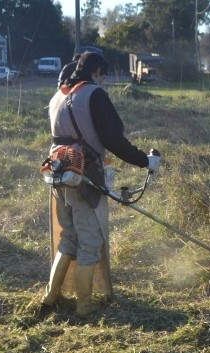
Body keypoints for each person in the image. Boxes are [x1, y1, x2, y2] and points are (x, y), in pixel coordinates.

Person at [42, 51, 161, 317]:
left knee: (68, 239)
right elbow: (114, 140)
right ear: (96, 72)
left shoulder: (58, 96)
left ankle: (49, 299)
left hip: (58, 176)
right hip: (84, 180)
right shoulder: (93, 94)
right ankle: (84, 309)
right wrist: (145, 161)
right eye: (102, 77)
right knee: (90, 241)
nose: (103, 82)